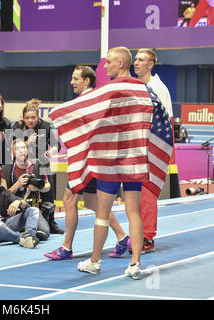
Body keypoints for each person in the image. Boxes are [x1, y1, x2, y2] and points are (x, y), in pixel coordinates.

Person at [44, 65, 129, 260]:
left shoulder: (89, 102)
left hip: (86, 162)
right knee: (92, 201)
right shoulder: (89, 101)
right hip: (91, 161)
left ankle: (66, 247)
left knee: (69, 200)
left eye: (75, 79)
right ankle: (122, 236)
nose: (71, 82)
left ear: (87, 81)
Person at [76, 47, 144, 279]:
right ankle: (135, 263)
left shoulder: (110, 89)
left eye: (109, 63)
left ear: (121, 63)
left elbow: (95, 119)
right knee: (133, 210)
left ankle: (95, 261)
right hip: (134, 157)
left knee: (102, 212)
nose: (104, 67)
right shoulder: (141, 88)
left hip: (111, 159)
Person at [133, 48, 174, 253]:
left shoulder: (157, 87)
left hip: (154, 144)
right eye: (135, 59)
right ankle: (138, 233)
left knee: (147, 191)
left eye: (141, 60)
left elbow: (163, 123)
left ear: (151, 65)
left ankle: (147, 237)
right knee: (136, 193)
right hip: (139, 144)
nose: (136, 63)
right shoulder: (138, 85)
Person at [11, 98, 63, 234]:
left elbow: (57, 144)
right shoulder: (17, 127)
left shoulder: (44, 126)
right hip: (23, 165)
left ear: (38, 117)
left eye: (33, 117)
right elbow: (12, 147)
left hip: (42, 164)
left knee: (48, 192)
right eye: (27, 118)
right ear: (23, 118)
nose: (30, 121)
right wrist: (27, 143)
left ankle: (51, 221)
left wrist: (51, 151)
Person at [0, 166, 49, 248]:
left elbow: (26, 204)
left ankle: (29, 237)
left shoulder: (0, 191)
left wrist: (18, 202)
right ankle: (21, 238)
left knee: (32, 210)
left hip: (6, 223)